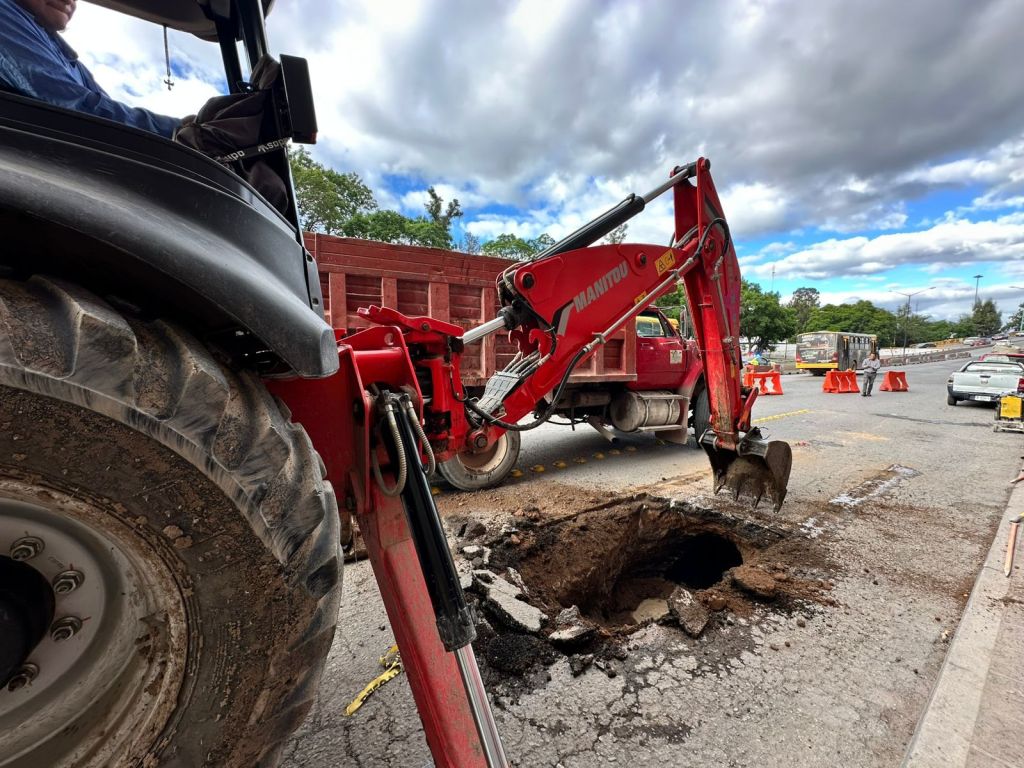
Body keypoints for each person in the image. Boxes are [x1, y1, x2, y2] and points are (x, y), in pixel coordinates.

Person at [0, 0, 179, 138]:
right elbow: (78, 108)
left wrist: (189, 129)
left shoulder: (68, 58)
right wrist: (180, 130)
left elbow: (103, 108)